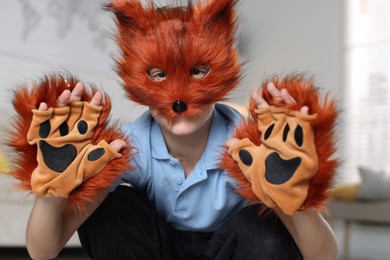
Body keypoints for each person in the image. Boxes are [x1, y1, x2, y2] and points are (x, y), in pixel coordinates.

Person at [23, 0, 338, 259]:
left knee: (265, 226)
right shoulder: (128, 145)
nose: (177, 98)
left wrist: (296, 199)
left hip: (232, 250)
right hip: (157, 250)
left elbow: (323, 256)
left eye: (198, 72)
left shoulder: (250, 146)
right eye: (158, 74)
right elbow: (42, 251)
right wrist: (53, 189)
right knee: (113, 208)